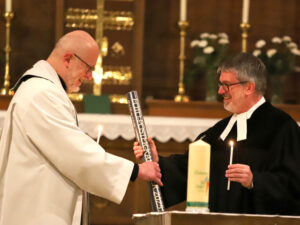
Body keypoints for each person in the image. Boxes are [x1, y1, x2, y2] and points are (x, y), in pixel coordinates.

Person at [0, 30, 162, 225]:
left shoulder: (44, 89)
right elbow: (75, 152)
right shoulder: (41, 93)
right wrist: (136, 171)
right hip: (35, 212)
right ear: (68, 59)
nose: (89, 77)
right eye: (88, 68)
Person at [134, 53, 300, 215]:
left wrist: (254, 180)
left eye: (227, 85)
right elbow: (189, 169)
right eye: (220, 84)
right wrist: (156, 161)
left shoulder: (282, 127)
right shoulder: (221, 129)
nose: (220, 91)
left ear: (249, 87)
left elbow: (294, 185)